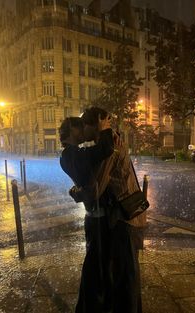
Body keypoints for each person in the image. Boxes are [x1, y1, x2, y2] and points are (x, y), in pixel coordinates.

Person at [79, 107, 144, 313]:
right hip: (123, 215)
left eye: (85, 125)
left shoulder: (111, 144)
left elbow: (98, 185)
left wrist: (80, 194)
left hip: (125, 218)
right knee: (124, 273)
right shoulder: (107, 142)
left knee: (126, 276)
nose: (82, 131)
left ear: (95, 123)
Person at [59, 115, 115, 313]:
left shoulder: (71, 155)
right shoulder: (72, 155)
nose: (84, 131)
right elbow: (106, 149)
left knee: (97, 264)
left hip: (94, 216)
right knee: (96, 266)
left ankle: (95, 304)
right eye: (80, 128)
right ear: (72, 131)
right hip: (97, 218)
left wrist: (77, 192)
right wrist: (105, 128)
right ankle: (90, 306)